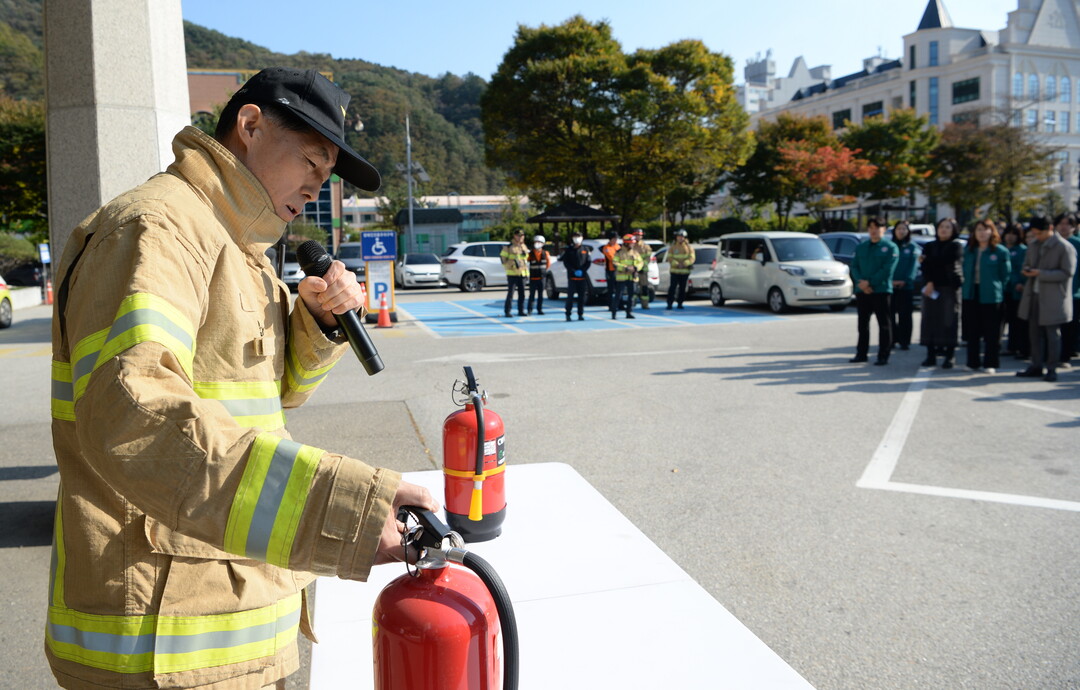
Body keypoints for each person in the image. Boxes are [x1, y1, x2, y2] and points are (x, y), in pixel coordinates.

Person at [44, 68, 438, 689]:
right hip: (164, 644)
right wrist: (343, 510)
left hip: (219, 624)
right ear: (250, 126)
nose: (316, 186)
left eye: (326, 173)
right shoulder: (158, 229)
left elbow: (272, 395)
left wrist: (312, 320)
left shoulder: (240, 250)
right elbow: (133, 415)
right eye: (310, 160)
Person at [1016, 215, 1078, 382]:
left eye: (1039, 232)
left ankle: (1052, 368)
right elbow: (1026, 264)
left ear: (1050, 229)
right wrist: (1027, 271)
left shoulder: (1065, 247)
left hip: (1054, 297)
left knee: (1052, 334)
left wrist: (1041, 274)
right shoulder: (1033, 245)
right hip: (1034, 294)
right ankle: (1036, 365)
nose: (1036, 236)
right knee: (1034, 333)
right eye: (1034, 233)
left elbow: (1067, 273)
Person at [961, 219, 1011, 373]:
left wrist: (997, 288)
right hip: (971, 293)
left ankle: (991, 363)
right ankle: (972, 362)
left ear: (992, 232)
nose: (982, 233)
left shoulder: (1000, 251)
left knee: (992, 332)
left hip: (991, 295)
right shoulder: (969, 251)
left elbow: (1005, 275)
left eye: (985, 229)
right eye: (978, 230)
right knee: (972, 330)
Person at [850, 217, 899, 364]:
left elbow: (887, 269)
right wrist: (862, 284)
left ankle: (883, 355)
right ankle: (861, 354)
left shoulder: (890, 247)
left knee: (884, 324)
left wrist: (870, 282)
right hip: (862, 291)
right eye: (870, 227)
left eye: (877, 227)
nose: (873, 230)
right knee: (862, 325)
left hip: (881, 290)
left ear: (884, 229)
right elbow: (854, 266)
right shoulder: (861, 247)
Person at [920, 218, 965, 368]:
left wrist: (927, 261)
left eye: (947, 227)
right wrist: (929, 281)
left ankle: (949, 356)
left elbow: (946, 261)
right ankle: (930, 355)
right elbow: (926, 268)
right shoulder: (929, 245)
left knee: (949, 320)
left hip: (950, 287)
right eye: (941, 227)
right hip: (931, 287)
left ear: (953, 230)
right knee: (929, 320)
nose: (943, 229)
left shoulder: (956, 245)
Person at [890, 221, 920, 350]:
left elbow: (913, 267)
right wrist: (890, 280)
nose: (901, 231)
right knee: (889, 314)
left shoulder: (912, 247)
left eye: (904, 229)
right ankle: (891, 339)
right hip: (889, 286)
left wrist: (906, 280)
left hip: (905, 287)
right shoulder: (890, 246)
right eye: (899, 229)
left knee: (905, 315)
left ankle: (905, 341)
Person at [1054, 212, 1080, 366]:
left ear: (1074, 227)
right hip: (1052, 292)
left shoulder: (1077, 244)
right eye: (1061, 223)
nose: (1064, 227)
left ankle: (1065, 355)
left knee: (1069, 327)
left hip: (1074, 292)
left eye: (1068, 224)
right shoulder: (1050, 243)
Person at [1001, 223, 1028, 358]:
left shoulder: (1022, 250)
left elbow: (1022, 269)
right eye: (1008, 233)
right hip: (1001, 289)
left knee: (1016, 320)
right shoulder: (999, 249)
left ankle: (1016, 346)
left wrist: (1019, 282)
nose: (1010, 236)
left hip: (1016, 290)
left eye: (1014, 234)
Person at [560, 230, 592, 321]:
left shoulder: (585, 249)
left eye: (579, 237)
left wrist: (583, 270)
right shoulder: (569, 250)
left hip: (582, 277)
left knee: (581, 297)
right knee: (570, 297)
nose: (577, 239)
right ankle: (568, 314)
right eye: (575, 237)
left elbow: (588, 262)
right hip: (572, 277)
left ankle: (580, 314)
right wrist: (573, 271)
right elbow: (566, 262)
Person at [612, 233, 643, 319]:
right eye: (631, 243)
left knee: (631, 296)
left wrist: (636, 268)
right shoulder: (619, 252)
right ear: (626, 243)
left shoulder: (635, 253)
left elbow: (640, 262)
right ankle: (614, 312)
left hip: (632, 278)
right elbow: (615, 263)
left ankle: (629, 312)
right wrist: (626, 268)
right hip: (621, 278)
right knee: (618, 296)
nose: (633, 244)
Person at [500, 228, 528, 317]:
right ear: (514, 236)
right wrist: (510, 267)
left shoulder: (524, 246)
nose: (520, 238)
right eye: (518, 236)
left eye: (522, 236)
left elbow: (525, 260)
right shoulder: (508, 247)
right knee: (511, 294)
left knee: (522, 294)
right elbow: (503, 259)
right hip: (512, 274)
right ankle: (507, 311)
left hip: (522, 274)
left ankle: (521, 311)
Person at [666, 229, 695, 310]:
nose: (680, 238)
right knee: (672, 288)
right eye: (679, 237)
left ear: (685, 238)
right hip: (674, 271)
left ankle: (680, 303)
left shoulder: (689, 248)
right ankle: (669, 303)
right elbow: (669, 257)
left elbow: (692, 258)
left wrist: (685, 264)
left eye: (682, 237)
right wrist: (677, 264)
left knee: (682, 289)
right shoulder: (673, 247)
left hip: (685, 271)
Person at [526, 234, 551, 315]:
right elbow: (526, 262)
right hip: (533, 278)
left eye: (539, 242)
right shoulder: (530, 254)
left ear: (543, 244)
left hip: (542, 278)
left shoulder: (546, 253)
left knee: (541, 295)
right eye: (536, 242)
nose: (537, 243)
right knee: (531, 295)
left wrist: (543, 272)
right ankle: (530, 310)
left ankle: (539, 309)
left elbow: (548, 264)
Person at [601, 230, 620, 311]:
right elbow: (611, 258)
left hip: (619, 270)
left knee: (619, 288)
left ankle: (618, 304)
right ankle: (610, 305)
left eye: (616, 238)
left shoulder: (618, 246)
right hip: (610, 270)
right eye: (614, 238)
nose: (615, 240)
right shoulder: (606, 248)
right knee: (611, 289)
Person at [633, 229, 652, 309]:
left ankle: (645, 304)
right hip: (634, 270)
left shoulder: (646, 247)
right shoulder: (632, 245)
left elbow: (647, 258)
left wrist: (641, 267)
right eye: (636, 235)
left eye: (639, 235)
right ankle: (632, 304)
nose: (638, 237)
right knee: (633, 288)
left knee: (644, 288)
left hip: (643, 270)